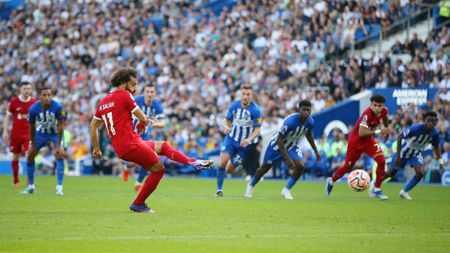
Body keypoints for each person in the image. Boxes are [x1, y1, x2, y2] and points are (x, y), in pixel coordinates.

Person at [89, 67, 212, 213]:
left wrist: (96, 148)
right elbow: (142, 117)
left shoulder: (103, 102)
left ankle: (193, 162)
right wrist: (142, 122)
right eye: (133, 84)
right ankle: (138, 203)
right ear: (123, 83)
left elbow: (93, 126)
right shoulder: (124, 95)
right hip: (131, 144)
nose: (135, 88)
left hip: (124, 145)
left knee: (163, 146)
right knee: (159, 170)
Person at [244, 100, 321, 199]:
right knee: (265, 167)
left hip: (292, 145)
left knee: (300, 166)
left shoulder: (310, 121)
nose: (306, 112)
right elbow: (279, 139)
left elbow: (309, 135)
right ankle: (251, 185)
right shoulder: (290, 122)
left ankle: (286, 190)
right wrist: (287, 159)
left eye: (308, 110)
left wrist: (316, 151)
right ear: (299, 110)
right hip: (277, 145)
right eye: (303, 110)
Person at [325, 94, 391, 200]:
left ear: (383, 106)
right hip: (356, 141)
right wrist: (380, 131)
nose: (377, 108)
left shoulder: (384, 110)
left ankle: (377, 189)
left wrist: (387, 130)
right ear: (371, 105)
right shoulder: (367, 114)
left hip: (369, 141)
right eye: (375, 105)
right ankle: (332, 180)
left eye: (380, 106)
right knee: (348, 167)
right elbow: (361, 133)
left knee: (381, 161)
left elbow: (385, 118)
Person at [216, 85, 263, 197]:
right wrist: (226, 127)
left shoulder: (256, 110)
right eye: (243, 94)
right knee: (222, 162)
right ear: (240, 94)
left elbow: (257, 129)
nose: (245, 97)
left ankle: (239, 166)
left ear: (251, 96)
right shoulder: (235, 105)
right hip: (231, 139)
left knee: (229, 169)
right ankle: (219, 190)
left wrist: (249, 139)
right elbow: (226, 120)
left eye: (248, 94)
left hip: (244, 145)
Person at [385, 111, 445, 200]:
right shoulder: (416, 128)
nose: (430, 123)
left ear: (436, 122)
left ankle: (404, 191)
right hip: (403, 151)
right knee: (391, 173)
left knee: (421, 172)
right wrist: (398, 156)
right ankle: (375, 183)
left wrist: (440, 161)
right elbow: (400, 136)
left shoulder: (435, 133)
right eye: (428, 120)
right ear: (424, 120)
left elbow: (436, 147)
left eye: (433, 121)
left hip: (416, 153)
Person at [21, 87, 66, 195]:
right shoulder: (33, 109)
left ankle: (59, 188)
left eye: (49, 95)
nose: (47, 97)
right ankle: (31, 186)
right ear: (40, 96)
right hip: (40, 133)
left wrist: (59, 145)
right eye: (44, 95)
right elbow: (31, 127)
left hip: (54, 134)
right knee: (30, 155)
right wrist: (32, 144)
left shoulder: (58, 107)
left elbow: (60, 127)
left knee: (59, 155)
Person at [121, 84, 165, 191]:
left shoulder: (157, 105)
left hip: (144, 134)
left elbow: (163, 123)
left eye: (152, 92)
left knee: (147, 157)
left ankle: (138, 183)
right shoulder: (136, 101)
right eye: (148, 91)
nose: (149, 94)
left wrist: (153, 123)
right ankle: (126, 167)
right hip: (131, 132)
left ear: (155, 93)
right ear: (144, 93)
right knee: (133, 162)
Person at [2, 82, 37, 187]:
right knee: (15, 157)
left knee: (30, 156)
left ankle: (29, 180)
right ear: (20, 89)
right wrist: (5, 131)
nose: (27, 90)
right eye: (25, 88)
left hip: (28, 135)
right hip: (16, 134)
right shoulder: (14, 101)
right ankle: (16, 180)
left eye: (28, 88)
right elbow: (8, 117)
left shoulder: (34, 102)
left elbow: (38, 118)